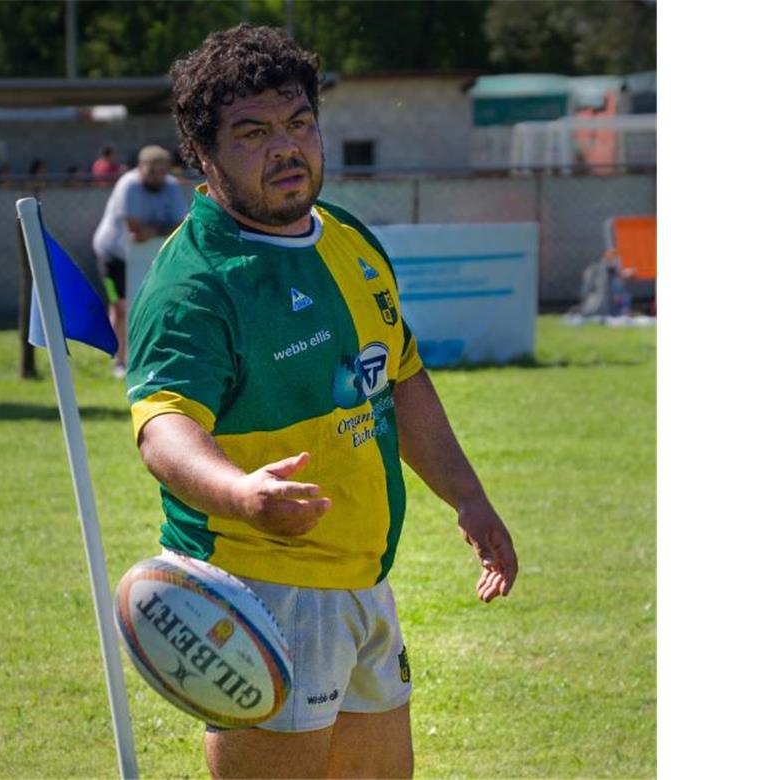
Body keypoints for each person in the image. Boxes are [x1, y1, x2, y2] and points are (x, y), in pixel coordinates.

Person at [124, 24, 518, 779]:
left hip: (363, 578)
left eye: (298, 122)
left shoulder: (346, 238)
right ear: (202, 155)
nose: (286, 147)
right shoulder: (197, 283)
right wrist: (239, 493)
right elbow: (163, 427)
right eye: (253, 133)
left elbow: (399, 378)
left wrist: (468, 498)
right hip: (261, 590)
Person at [92, 144, 189, 377]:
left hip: (147, 258)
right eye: (151, 171)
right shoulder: (129, 185)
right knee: (121, 307)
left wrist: (153, 231)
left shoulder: (171, 187)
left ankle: (152, 358)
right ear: (140, 167)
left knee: (156, 307)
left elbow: (181, 225)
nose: (157, 177)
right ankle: (120, 361)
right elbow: (135, 229)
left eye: (161, 171)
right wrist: (162, 230)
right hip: (112, 256)